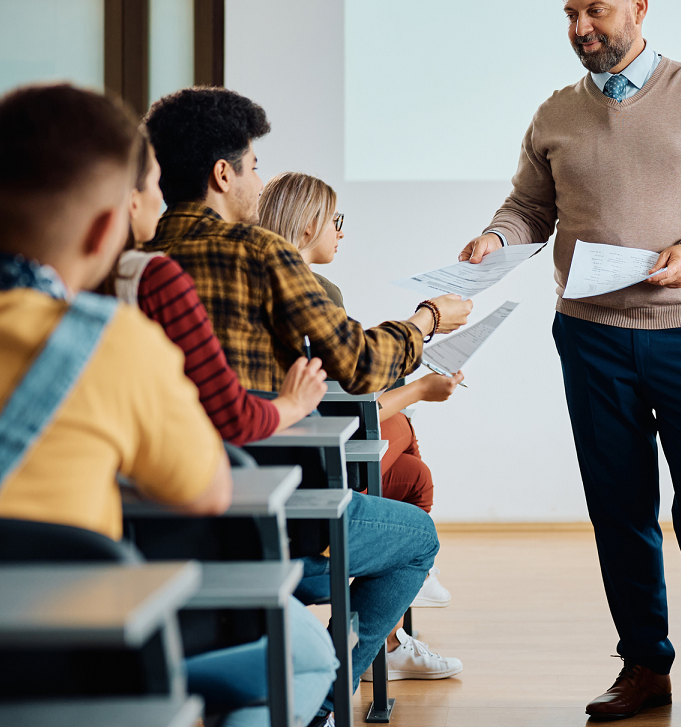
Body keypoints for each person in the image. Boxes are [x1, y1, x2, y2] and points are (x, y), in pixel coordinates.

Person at [458, 0, 681, 723]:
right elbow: (529, 208)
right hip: (592, 337)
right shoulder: (555, 114)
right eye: (571, 14)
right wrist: (497, 238)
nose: (581, 27)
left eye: (594, 10)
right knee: (619, 505)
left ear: (638, 6)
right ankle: (643, 666)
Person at [0, 83, 338, 727]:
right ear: (107, 228)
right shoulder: (112, 343)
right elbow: (208, 490)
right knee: (304, 658)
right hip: (76, 661)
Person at [141, 86, 468, 702]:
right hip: (269, 514)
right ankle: (326, 697)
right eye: (253, 166)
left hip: (157, 518)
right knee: (416, 540)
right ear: (222, 175)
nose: (258, 183)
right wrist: (426, 319)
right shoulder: (260, 253)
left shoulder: (133, 261)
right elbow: (360, 364)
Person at [257, 170, 464, 677]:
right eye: (336, 220)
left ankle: (388, 641)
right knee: (403, 440)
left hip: (277, 468)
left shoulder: (248, 284)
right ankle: (369, 653)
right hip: (303, 485)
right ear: (308, 225)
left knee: (412, 473)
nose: (342, 231)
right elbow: (349, 391)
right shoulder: (313, 289)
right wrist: (419, 376)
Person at [106, 132, 328, 444]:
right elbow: (234, 418)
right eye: (155, 184)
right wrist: (294, 404)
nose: (161, 198)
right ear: (132, 201)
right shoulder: (155, 277)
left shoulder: (94, 283)